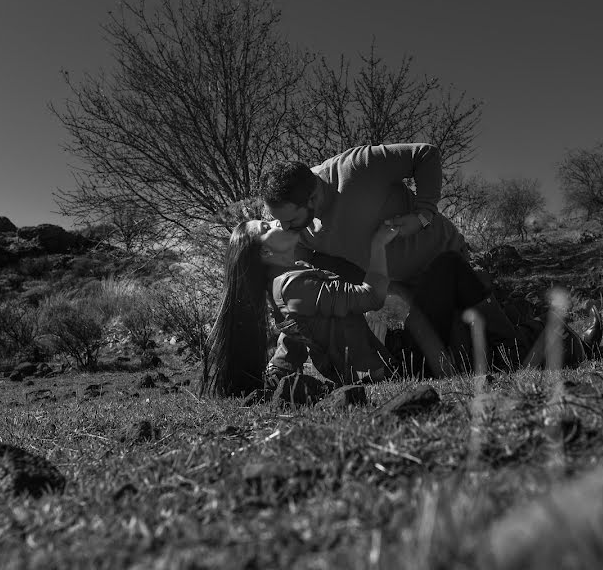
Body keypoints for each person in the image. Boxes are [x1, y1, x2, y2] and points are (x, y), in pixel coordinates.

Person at [261, 143, 520, 380]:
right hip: (406, 294)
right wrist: (281, 363)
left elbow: (425, 154)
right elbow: (300, 301)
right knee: (440, 359)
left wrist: (423, 214)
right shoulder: (300, 233)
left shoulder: (357, 167)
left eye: (291, 220)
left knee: (495, 349)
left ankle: (518, 342)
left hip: (447, 260)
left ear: (312, 199)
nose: (285, 228)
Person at [200, 219, 401, 397]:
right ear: (266, 251)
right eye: (266, 227)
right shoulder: (295, 285)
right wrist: (379, 244)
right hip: (373, 370)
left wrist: (278, 371)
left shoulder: (281, 281)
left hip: (362, 367)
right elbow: (372, 298)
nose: (276, 221)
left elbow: (297, 333)